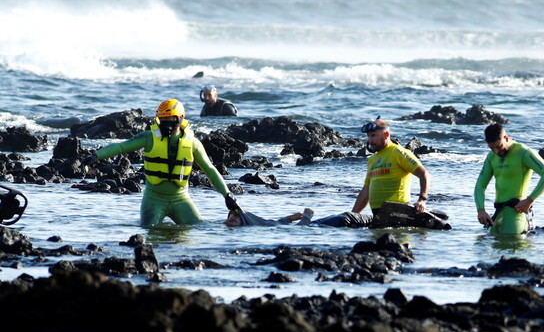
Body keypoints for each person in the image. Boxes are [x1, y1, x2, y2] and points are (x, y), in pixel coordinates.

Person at [93, 98, 240, 227]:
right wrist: (96, 155)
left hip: (181, 199)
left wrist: (227, 195)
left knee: (201, 228)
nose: (166, 123)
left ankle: (233, 222)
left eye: (170, 119)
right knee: (150, 230)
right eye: (162, 120)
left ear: (181, 118)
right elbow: (121, 146)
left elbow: (210, 169)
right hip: (153, 199)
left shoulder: (193, 143)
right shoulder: (149, 137)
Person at [474, 123, 544, 234]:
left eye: (498, 146)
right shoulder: (491, 157)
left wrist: (529, 200)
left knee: (510, 243)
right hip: (499, 214)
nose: (496, 151)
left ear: (506, 138)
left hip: (516, 214)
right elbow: (480, 185)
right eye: (492, 148)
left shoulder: (523, 152)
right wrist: (481, 210)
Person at [352, 116, 431, 219]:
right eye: (368, 136)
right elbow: (366, 191)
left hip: (398, 212)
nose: (370, 141)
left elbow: (424, 174)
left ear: (386, 134)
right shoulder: (372, 159)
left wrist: (422, 200)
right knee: (346, 220)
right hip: (378, 214)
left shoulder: (398, 152)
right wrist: (353, 215)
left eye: (373, 136)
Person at [224, 207, 373, 228]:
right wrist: (307, 217)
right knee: (344, 217)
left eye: (233, 220)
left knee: (345, 215)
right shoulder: (253, 228)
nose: (230, 222)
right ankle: (375, 221)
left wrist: (291, 217)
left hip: (312, 225)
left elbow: (273, 223)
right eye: (230, 220)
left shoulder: (255, 224)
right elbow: (300, 231)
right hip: (311, 226)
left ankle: (374, 220)